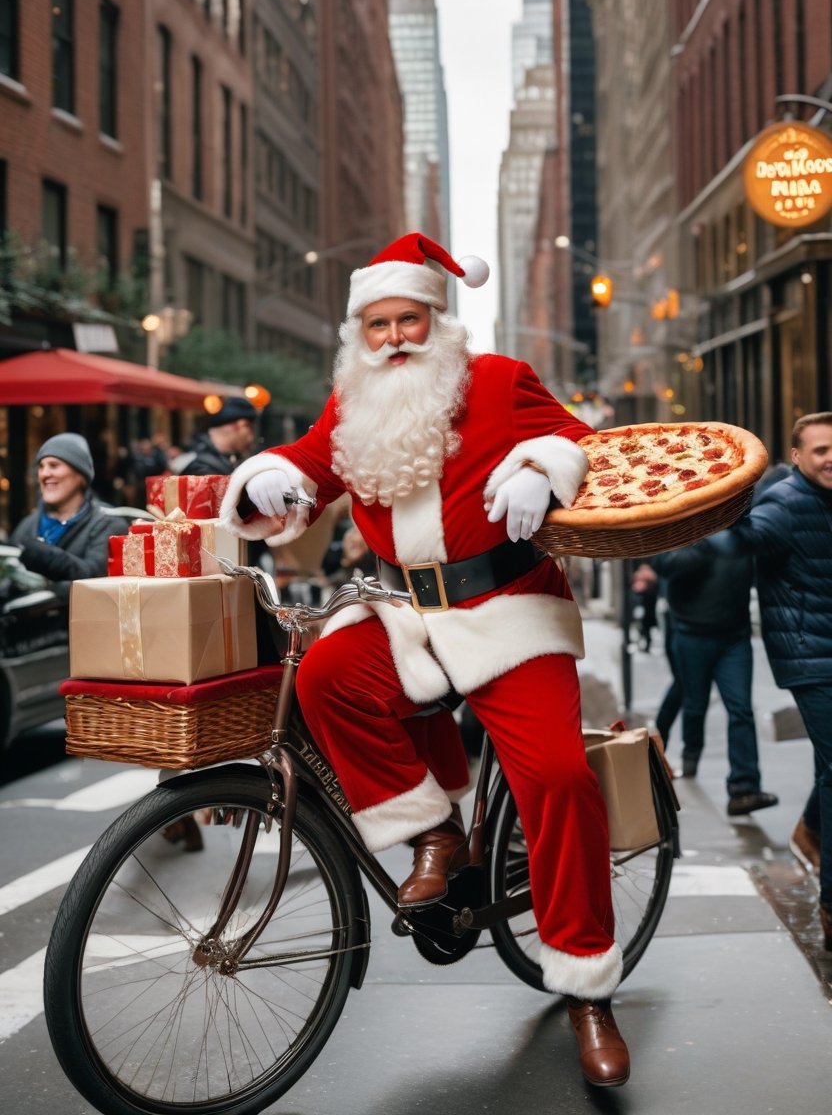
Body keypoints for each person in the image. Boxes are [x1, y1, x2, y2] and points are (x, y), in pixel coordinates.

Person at [220, 233, 630, 1088]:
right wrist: (266, 480)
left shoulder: (498, 380)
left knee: (555, 776)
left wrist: (542, 471)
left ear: (438, 321)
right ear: (358, 333)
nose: (396, 337)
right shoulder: (352, 403)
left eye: (410, 319)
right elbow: (309, 464)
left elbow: (578, 440)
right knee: (330, 677)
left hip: (509, 609)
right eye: (379, 324)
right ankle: (436, 837)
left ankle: (588, 982)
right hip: (411, 610)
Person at [722, 412, 832, 951]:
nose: (831, 458)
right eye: (820, 450)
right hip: (809, 656)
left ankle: (810, 830)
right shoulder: (782, 503)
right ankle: (831, 904)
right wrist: (729, 500)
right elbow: (746, 541)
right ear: (798, 456)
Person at [649, 532, 778, 814]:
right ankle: (690, 756)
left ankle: (744, 790)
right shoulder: (691, 527)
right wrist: (701, 545)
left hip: (735, 637)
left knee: (741, 710)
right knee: (695, 705)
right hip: (691, 635)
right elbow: (663, 563)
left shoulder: (744, 527)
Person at [10, 432, 129, 603]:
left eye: (54, 465)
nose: (45, 474)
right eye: (41, 466)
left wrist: (43, 557)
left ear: (81, 476)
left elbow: (94, 581)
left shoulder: (108, 524)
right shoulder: (27, 525)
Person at [175, 397, 258, 475]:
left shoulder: (226, 460)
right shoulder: (201, 468)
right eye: (250, 429)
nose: (251, 437)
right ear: (242, 425)